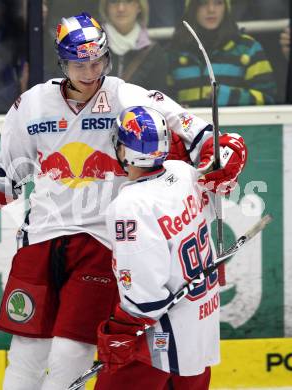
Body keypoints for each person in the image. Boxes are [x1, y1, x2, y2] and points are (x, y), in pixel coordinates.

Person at [0, 12, 247, 390]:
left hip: (102, 241)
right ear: (62, 62)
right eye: (78, 64)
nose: (89, 73)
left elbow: (196, 132)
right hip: (41, 238)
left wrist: (222, 151)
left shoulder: (129, 96)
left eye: (97, 62)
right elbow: (5, 173)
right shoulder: (32, 105)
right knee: (25, 353)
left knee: (71, 352)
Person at [95, 106, 245, 389]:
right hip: (199, 327)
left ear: (123, 149)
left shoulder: (130, 206)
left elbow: (146, 293)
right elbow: (206, 214)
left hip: (155, 343)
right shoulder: (183, 172)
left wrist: (122, 330)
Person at [166, 0, 277, 107]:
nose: (211, 10)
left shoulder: (248, 48)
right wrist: (177, 110)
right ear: (191, 8)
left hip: (235, 126)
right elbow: (161, 101)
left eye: (218, 2)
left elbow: (269, 99)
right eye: (203, 3)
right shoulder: (174, 51)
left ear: (226, 7)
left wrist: (224, 96)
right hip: (190, 126)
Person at [98, 0, 167, 90]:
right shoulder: (89, 45)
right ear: (106, 7)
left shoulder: (154, 52)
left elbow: (159, 99)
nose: (121, 8)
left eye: (129, 1)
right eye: (114, 1)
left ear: (139, 7)